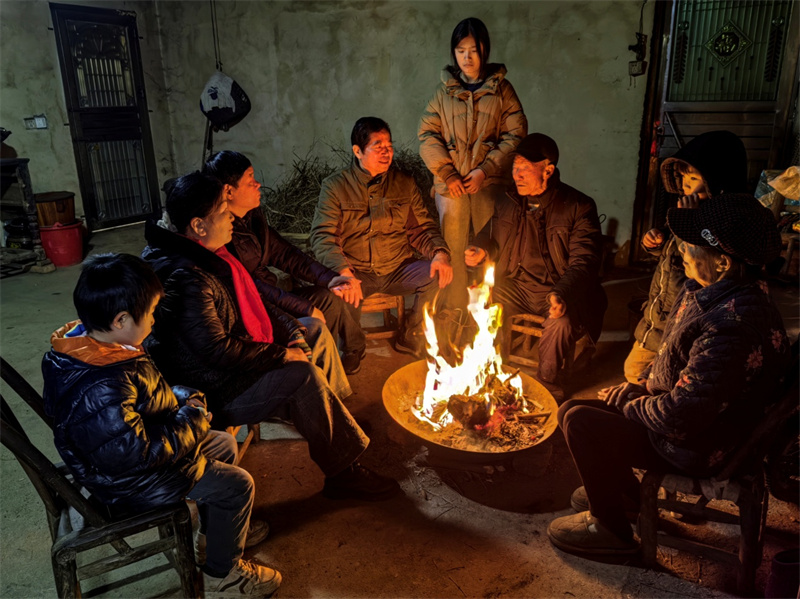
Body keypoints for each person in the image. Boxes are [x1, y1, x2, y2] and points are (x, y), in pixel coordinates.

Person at [547, 194, 788, 557]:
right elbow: (674, 357)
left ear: (722, 262)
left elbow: (681, 415)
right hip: (690, 419)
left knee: (582, 423)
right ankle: (627, 498)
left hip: (700, 446)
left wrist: (633, 403)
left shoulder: (732, 325)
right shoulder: (712, 291)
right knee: (570, 410)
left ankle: (611, 530)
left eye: (691, 246)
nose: (682, 251)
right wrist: (642, 386)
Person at [142, 172, 400, 502]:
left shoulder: (210, 256)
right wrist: (281, 355)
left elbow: (255, 300)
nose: (231, 217)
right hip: (214, 388)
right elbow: (216, 350)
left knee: (309, 330)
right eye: (223, 211)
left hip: (231, 362)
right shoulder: (186, 276)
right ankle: (343, 473)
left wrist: (291, 331)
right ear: (198, 225)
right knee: (302, 375)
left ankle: (337, 427)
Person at [41, 253, 281, 598]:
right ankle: (223, 576)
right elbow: (136, 454)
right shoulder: (102, 383)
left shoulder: (98, 346)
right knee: (237, 485)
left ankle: (215, 540)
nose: (154, 319)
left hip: (130, 458)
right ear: (121, 319)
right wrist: (192, 419)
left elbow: (146, 396)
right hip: (129, 481)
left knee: (225, 445)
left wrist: (183, 398)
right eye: (151, 312)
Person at [202, 151, 368, 375]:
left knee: (330, 297)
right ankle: (308, 374)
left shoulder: (252, 217)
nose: (258, 184)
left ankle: (326, 365)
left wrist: (330, 278)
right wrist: (305, 308)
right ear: (229, 191)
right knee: (316, 314)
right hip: (258, 309)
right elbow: (252, 288)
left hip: (272, 297)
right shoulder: (221, 235)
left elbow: (286, 254)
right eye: (250, 180)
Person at [465, 133, 606, 396]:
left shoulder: (578, 206)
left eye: (524, 168)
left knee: (561, 323)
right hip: (516, 286)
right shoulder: (508, 199)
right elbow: (490, 235)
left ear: (548, 170)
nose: (516, 174)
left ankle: (547, 386)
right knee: (478, 300)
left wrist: (561, 293)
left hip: (557, 290)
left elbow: (584, 262)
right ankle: (486, 373)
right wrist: (480, 248)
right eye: (515, 167)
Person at [311, 116, 453, 358]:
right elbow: (323, 236)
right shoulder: (335, 186)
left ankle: (412, 333)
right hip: (358, 271)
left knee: (438, 273)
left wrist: (440, 253)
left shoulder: (404, 184)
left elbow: (422, 228)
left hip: (398, 268)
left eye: (389, 146)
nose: (387, 152)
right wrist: (343, 271)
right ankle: (353, 348)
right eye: (378, 147)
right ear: (357, 151)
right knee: (341, 289)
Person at [419, 17, 527, 312]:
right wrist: (446, 173)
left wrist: (485, 170)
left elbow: (516, 134)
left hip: (489, 183)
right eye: (460, 50)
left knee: (487, 245)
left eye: (473, 50)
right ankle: (454, 311)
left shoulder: (502, 90)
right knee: (452, 248)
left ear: (484, 51)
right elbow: (427, 135)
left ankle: (485, 310)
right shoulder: (444, 92)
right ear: (453, 53)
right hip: (450, 184)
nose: (467, 57)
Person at [625, 130, 748, 383]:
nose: (685, 184)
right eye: (682, 176)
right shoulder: (687, 208)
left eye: (693, 177)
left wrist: (688, 222)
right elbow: (673, 253)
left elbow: (698, 262)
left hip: (680, 318)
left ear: (718, 179)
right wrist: (656, 243)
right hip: (658, 314)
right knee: (635, 370)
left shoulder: (722, 223)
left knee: (651, 377)